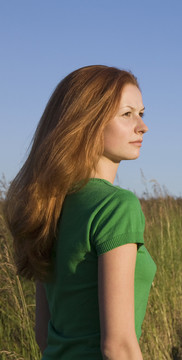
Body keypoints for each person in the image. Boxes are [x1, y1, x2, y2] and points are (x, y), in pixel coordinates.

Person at [4, 65, 156, 359]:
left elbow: (43, 333)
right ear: (88, 122)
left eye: (141, 113)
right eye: (127, 114)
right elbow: (119, 346)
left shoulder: (48, 203)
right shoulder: (116, 206)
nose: (142, 126)